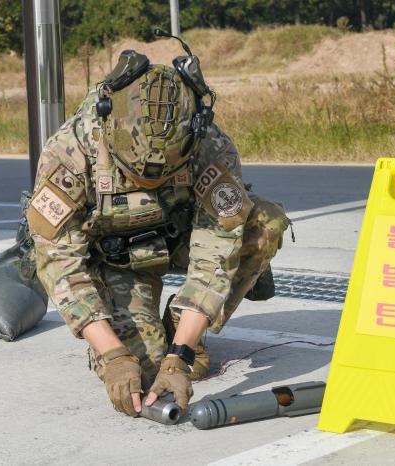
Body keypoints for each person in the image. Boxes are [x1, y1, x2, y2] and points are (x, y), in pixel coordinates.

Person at [26, 48, 289, 417]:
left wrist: (179, 358)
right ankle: (142, 336)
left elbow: (214, 257)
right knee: (142, 373)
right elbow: (59, 262)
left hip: (179, 240)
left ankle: (182, 323)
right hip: (116, 262)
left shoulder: (209, 145)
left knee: (263, 223)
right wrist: (113, 355)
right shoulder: (72, 150)